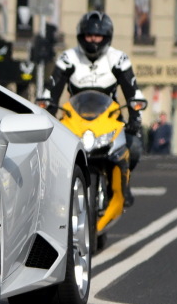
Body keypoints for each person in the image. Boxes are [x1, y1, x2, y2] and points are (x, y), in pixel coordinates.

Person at [37, 11, 146, 205]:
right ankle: (52, 192)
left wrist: (135, 119)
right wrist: (47, 115)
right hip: (74, 120)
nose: (93, 40)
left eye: (98, 36)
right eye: (89, 35)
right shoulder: (68, 58)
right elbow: (51, 91)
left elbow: (133, 93)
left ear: (107, 37)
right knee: (47, 149)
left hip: (109, 120)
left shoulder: (119, 59)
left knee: (135, 146)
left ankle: (122, 184)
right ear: (81, 36)